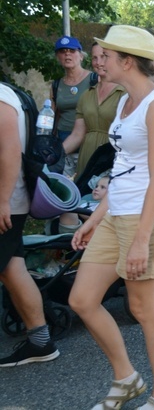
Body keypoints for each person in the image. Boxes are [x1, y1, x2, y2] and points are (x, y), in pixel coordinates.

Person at [68, 25, 154, 409]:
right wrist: (96, 217)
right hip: (117, 213)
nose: (99, 63)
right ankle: (126, 378)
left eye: (106, 57)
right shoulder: (123, 103)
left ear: (127, 61)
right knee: (82, 299)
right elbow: (123, 168)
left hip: (147, 218)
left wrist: (140, 239)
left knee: (144, 310)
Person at [0, 84, 60, 368]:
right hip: (9, 200)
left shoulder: (1, 98)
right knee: (11, 267)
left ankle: (41, 340)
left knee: (11, 267)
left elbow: (9, 152)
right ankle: (40, 340)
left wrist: (2, 201)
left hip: (6, 201)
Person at [59, 42, 125, 233]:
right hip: (88, 158)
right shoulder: (86, 95)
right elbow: (77, 134)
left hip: (110, 158)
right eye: (94, 58)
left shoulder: (125, 93)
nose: (98, 62)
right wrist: (56, 155)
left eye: (103, 57)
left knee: (107, 215)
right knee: (84, 206)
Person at [51, 36, 97, 177]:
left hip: (87, 143)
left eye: (72, 51)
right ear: (58, 57)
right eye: (62, 51)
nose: (67, 54)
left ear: (81, 56)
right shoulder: (56, 84)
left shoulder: (94, 79)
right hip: (63, 140)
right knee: (63, 186)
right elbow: (53, 114)